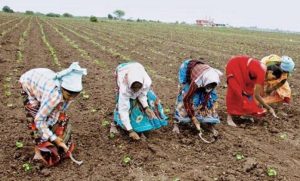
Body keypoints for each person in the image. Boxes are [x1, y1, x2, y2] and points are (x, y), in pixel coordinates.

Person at [19, 62, 87, 166]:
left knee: (59, 119)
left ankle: (58, 146)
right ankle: (38, 153)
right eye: (68, 95)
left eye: (74, 96)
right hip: (29, 83)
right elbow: (39, 120)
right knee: (34, 119)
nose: (71, 99)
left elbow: (58, 111)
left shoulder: (70, 93)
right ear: (62, 88)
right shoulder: (53, 96)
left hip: (43, 84)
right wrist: (54, 138)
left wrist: (52, 132)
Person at [111, 62, 168, 140]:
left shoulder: (146, 82)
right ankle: (114, 123)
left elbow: (142, 94)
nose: (136, 91)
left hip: (138, 67)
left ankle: (146, 124)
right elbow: (123, 109)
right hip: (122, 70)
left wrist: (146, 107)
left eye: (138, 88)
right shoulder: (124, 87)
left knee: (151, 99)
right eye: (134, 88)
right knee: (124, 105)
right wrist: (130, 130)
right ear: (130, 85)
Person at [173, 59, 222, 142]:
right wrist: (193, 117)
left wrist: (203, 106)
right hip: (189, 73)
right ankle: (176, 123)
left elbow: (208, 93)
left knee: (211, 99)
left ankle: (209, 122)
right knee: (187, 96)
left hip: (204, 78)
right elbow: (186, 99)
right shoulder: (196, 82)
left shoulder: (213, 79)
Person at [225, 55, 278, 127]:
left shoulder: (264, 71)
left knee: (248, 92)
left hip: (245, 70)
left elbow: (257, 92)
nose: (271, 80)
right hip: (235, 66)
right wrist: (269, 108)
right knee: (236, 90)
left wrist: (262, 105)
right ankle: (229, 118)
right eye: (273, 77)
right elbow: (257, 95)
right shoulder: (262, 72)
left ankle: (243, 113)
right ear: (271, 72)